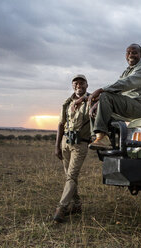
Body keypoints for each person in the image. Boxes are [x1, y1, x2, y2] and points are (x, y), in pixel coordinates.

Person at [88, 43, 141, 150]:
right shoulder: (126, 71)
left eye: (134, 53)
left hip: (139, 108)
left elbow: (125, 83)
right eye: (128, 52)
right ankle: (98, 137)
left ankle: (101, 137)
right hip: (126, 107)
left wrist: (101, 90)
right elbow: (117, 92)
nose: (131, 55)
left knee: (105, 95)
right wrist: (97, 103)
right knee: (93, 101)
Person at [53, 74, 91, 222]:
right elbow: (60, 124)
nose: (78, 85)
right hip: (65, 142)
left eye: (81, 83)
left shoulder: (92, 100)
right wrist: (57, 146)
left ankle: (61, 208)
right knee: (69, 176)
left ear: (87, 85)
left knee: (71, 176)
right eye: (75, 83)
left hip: (80, 144)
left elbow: (100, 102)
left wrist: (84, 99)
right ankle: (76, 205)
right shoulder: (67, 103)